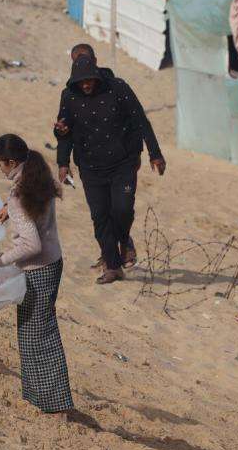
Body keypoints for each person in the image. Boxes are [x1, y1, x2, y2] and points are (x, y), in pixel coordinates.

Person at [54, 55, 165, 284]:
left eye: (90, 80)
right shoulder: (69, 96)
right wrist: (63, 162)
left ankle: (124, 241)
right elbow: (64, 131)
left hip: (122, 162)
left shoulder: (117, 88)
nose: (86, 85)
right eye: (81, 81)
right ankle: (113, 266)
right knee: (100, 215)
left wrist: (155, 153)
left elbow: (140, 120)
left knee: (122, 209)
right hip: (90, 165)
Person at [0, 133, 72, 415]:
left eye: (0, 165)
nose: (0, 170)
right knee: (34, 332)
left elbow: (30, 243)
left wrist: (0, 260)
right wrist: (7, 208)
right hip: (53, 262)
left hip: (38, 269)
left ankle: (50, 403)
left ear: (11, 162)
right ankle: (38, 399)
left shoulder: (20, 194)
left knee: (37, 337)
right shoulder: (37, 174)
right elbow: (29, 209)